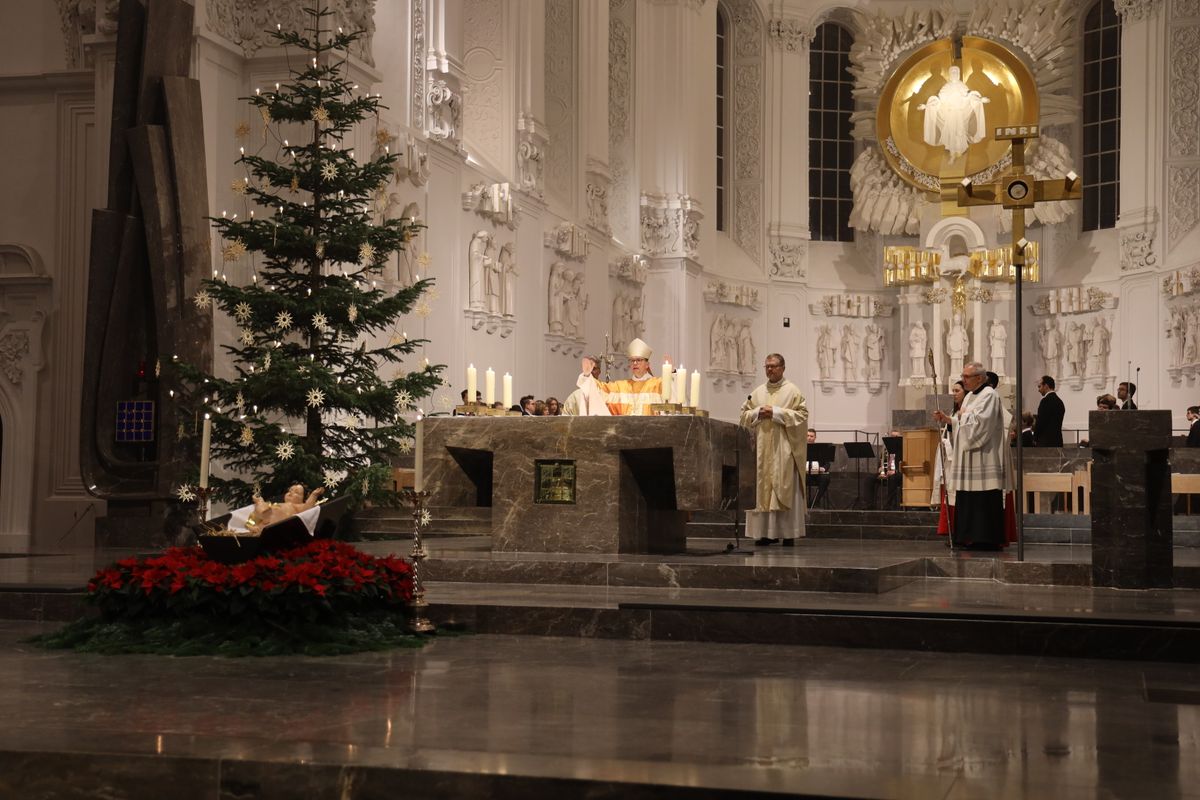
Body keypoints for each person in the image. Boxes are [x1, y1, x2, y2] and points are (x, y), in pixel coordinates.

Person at [933, 362, 1006, 550]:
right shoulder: (969, 397)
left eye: (967, 377)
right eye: (963, 376)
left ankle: (985, 539)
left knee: (983, 499)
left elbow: (982, 423)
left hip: (983, 456)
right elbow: (963, 420)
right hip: (969, 458)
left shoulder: (989, 395)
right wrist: (949, 419)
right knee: (967, 498)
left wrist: (963, 417)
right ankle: (967, 536)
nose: (963, 380)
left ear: (980, 378)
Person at [740, 353, 809, 546]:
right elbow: (743, 415)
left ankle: (788, 534)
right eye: (767, 366)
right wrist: (757, 412)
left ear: (783, 368)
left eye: (774, 366)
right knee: (761, 490)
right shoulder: (757, 392)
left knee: (783, 487)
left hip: (784, 450)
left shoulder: (793, 391)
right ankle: (763, 534)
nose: (770, 370)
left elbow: (802, 416)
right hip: (761, 451)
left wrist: (777, 412)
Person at [576, 338, 664, 416]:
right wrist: (587, 376)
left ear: (647, 364)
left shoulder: (658, 385)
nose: (635, 363)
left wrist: (673, 373)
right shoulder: (621, 387)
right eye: (632, 360)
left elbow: (673, 394)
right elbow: (599, 390)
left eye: (639, 360)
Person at [249, 484, 324, 529]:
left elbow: (307, 509)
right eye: (290, 490)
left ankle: (260, 502)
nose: (291, 492)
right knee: (261, 510)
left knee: (264, 509)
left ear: (303, 499)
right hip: (265, 520)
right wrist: (252, 525)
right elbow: (254, 516)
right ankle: (260, 502)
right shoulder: (278, 504)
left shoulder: (298, 506)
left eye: (296, 492)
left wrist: (314, 495)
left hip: (276, 524)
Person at [1034, 375, 1065, 446]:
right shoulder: (1060, 402)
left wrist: (1035, 438)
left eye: (1039, 386)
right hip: (1058, 441)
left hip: (1045, 443)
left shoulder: (1045, 401)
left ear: (1046, 386)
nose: (1038, 390)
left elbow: (1040, 422)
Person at [805, 428, 832, 509]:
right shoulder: (801, 449)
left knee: (826, 478)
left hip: (817, 475)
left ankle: (814, 502)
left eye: (811, 436)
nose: (809, 438)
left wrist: (822, 468)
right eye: (807, 436)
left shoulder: (821, 449)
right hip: (805, 475)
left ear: (815, 438)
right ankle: (801, 504)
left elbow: (827, 463)